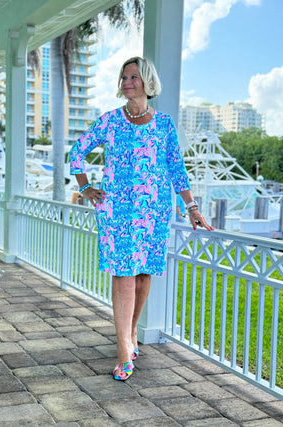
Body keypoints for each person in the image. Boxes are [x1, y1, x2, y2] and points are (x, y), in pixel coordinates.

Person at [69, 57, 214, 381]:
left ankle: (131, 331)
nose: (127, 82)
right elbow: (76, 152)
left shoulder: (163, 124)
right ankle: (123, 351)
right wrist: (86, 187)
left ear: (148, 82)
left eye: (133, 76)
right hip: (118, 211)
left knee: (143, 276)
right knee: (123, 276)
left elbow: (177, 169)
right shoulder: (110, 121)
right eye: (124, 77)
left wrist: (191, 208)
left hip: (154, 212)